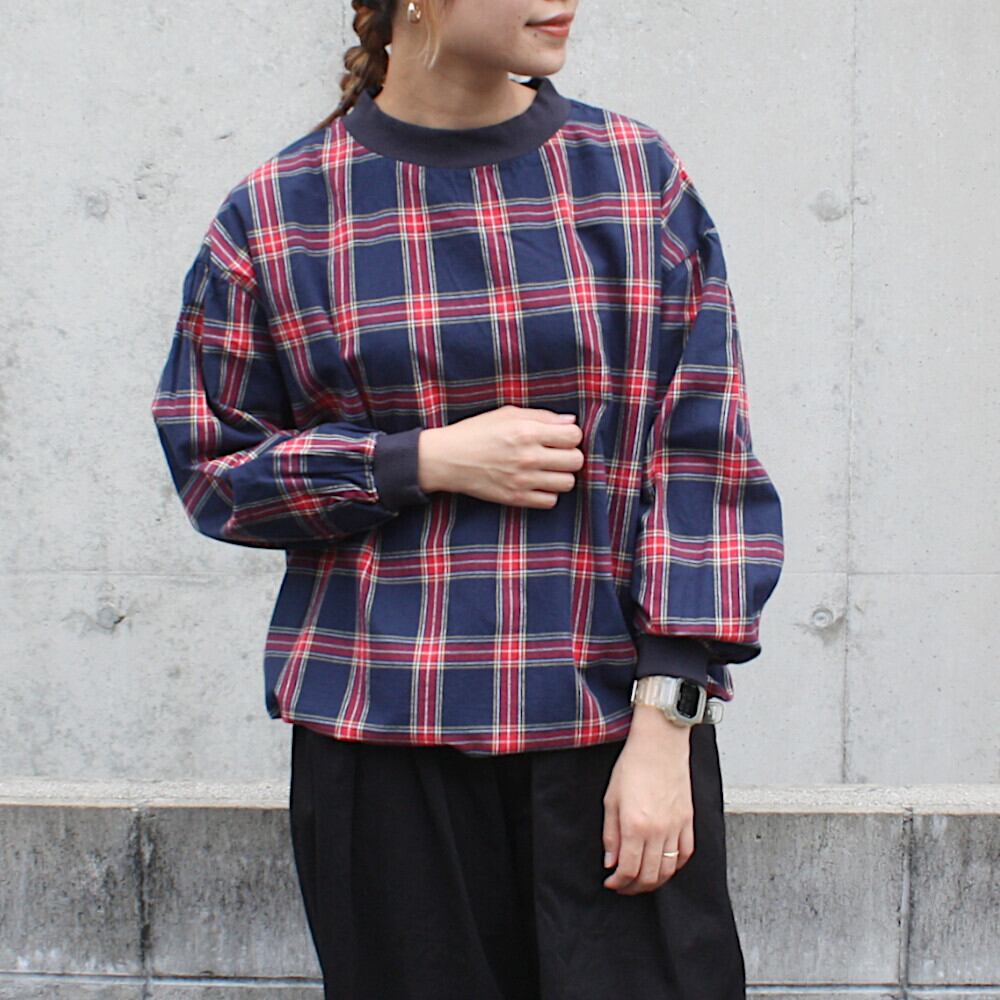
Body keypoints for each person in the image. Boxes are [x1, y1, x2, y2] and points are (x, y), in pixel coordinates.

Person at [150, 1, 785, 997]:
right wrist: (418, 461)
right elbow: (213, 468)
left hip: (610, 736)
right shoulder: (282, 212)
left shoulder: (631, 177)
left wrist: (668, 718)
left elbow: (703, 451)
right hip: (382, 749)